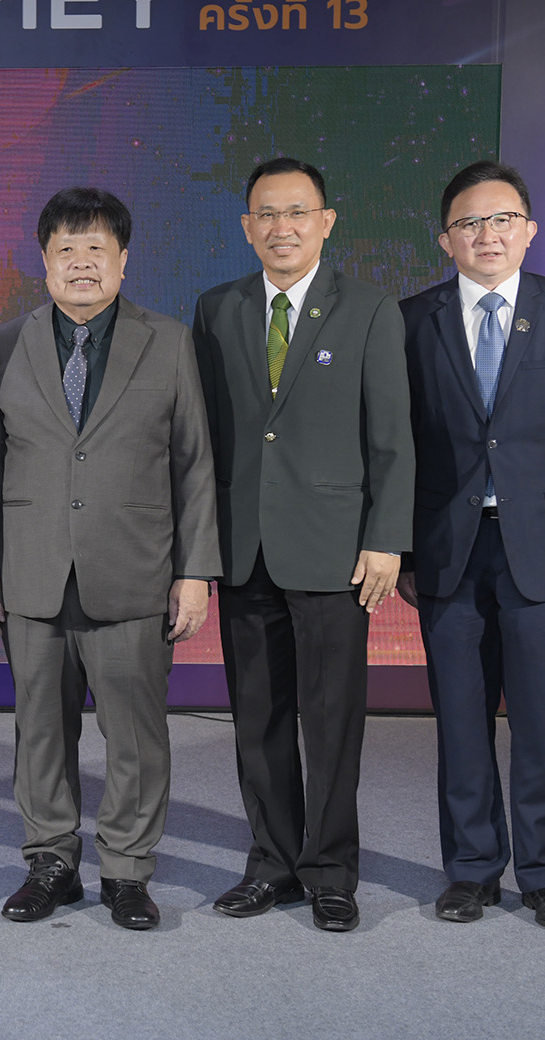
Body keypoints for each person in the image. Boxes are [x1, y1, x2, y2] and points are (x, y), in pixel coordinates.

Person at [0, 188, 220, 931]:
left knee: (135, 735)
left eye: (96, 249)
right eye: (66, 249)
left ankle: (127, 871)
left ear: (123, 259)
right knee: (40, 730)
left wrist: (195, 572)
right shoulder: (5, 344)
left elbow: (194, 464)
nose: (82, 263)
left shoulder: (167, 341)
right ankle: (50, 862)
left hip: (134, 572)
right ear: (44, 260)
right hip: (33, 574)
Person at [397, 161, 545, 931]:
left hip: (544, 550)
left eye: (502, 220)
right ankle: (470, 871)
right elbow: (396, 444)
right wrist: (400, 549)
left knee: (540, 722)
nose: (486, 235)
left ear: (529, 230)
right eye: (469, 223)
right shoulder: (411, 319)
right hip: (448, 549)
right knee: (461, 723)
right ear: (445, 240)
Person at [190, 155, 413, 933]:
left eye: (296, 212)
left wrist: (387, 539)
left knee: (331, 722)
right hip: (244, 547)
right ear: (246, 227)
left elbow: (393, 438)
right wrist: (200, 546)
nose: (281, 227)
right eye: (266, 214)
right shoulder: (216, 308)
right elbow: (205, 440)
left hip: (334, 550)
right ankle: (272, 864)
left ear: (326, 222)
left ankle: (331, 871)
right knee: (257, 718)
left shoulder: (370, 309)